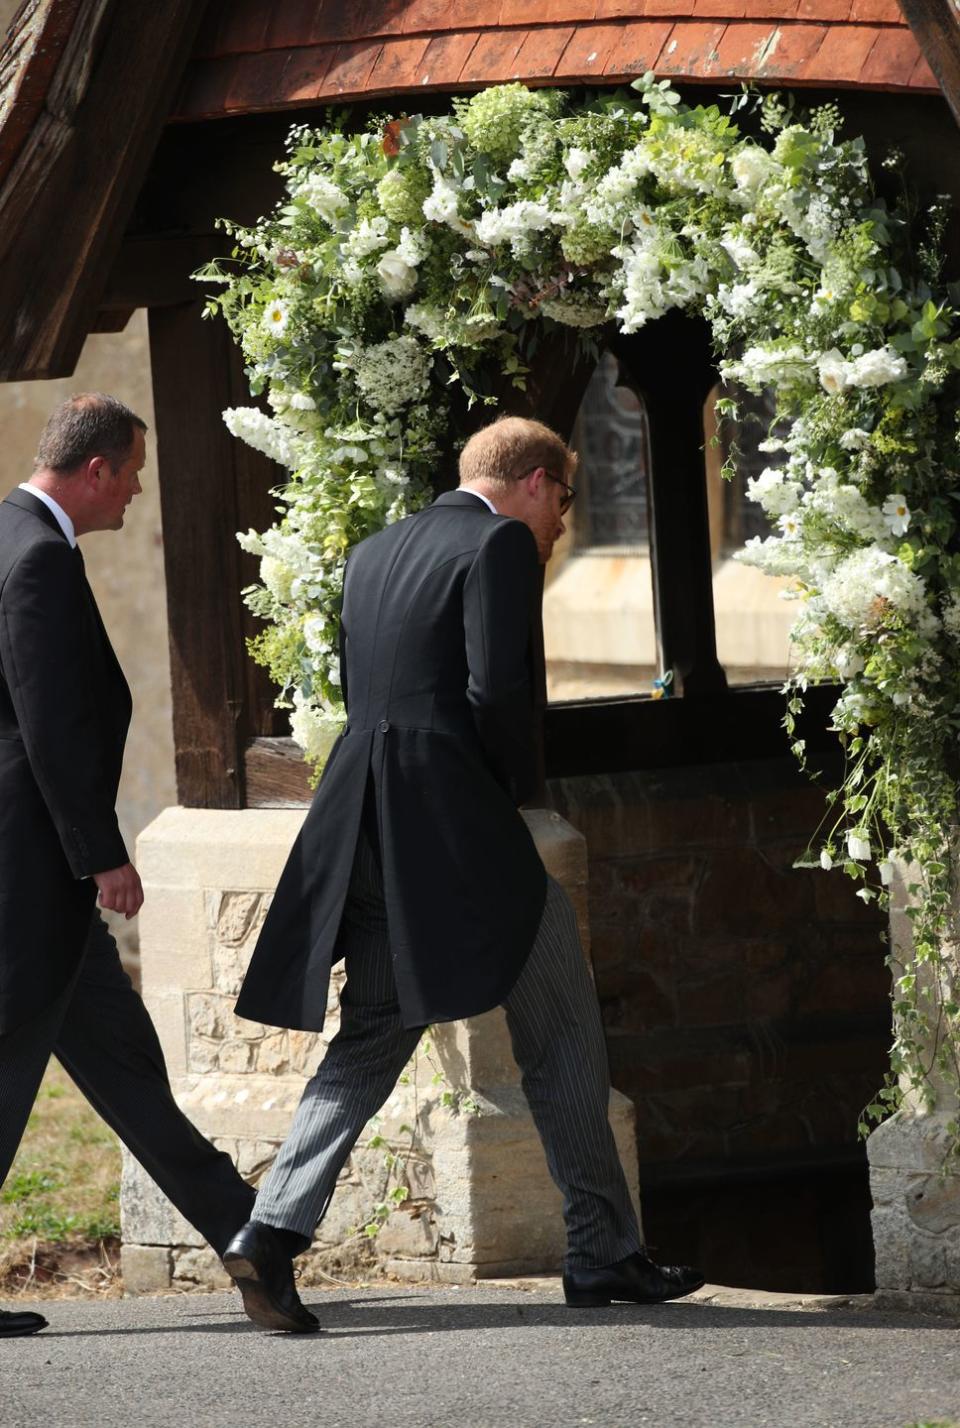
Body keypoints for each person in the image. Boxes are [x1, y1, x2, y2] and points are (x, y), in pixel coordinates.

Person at [224, 416, 703, 1332]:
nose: (561, 523)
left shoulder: (372, 552)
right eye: (563, 500)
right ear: (530, 482)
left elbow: (369, 692)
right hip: (448, 824)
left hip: (355, 819)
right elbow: (495, 692)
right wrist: (511, 798)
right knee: (560, 1026)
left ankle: (272, 1230)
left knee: (372, 1031)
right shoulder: (499, 544)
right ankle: (604, 1251)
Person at [0, 394, 255, 1338]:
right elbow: (50, 727)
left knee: (128, 1075)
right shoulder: (35, 559)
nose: (140, 493)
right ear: (96, 469)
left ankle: (246, 1236)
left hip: (33, 869)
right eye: (134, 473)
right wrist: (101, 856)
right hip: (35, 870)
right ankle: (248, 1233)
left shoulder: (7, 534)